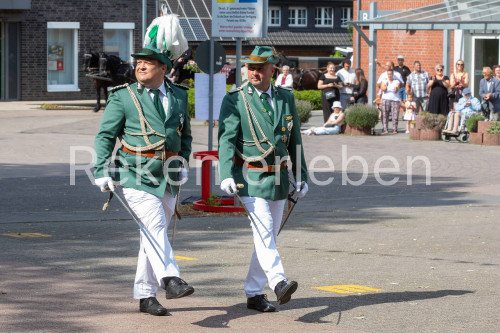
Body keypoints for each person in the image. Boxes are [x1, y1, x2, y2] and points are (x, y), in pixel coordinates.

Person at [93, 15, 194, 317]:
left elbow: (184, 134)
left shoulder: (178, 95)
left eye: (148, 62)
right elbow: (105, 136)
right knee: (154, 226)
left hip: (169, 176)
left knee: (150, 235)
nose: (140, 65)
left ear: (164, 68)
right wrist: (101, 170)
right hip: (135, 174)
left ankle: (145, 295)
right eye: (138, 62)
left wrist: (183, 162)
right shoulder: (122, 97)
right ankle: (171, 278)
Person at [218, 45, 308, 313]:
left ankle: (254, 293)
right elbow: (226, 139)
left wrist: (301, 176)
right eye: (250, 67)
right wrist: (225, 174)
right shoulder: (235, 99)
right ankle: (278, 282)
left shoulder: (285, 97)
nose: (254, 72)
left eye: (259, 68)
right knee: (265, 230)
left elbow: (295, 139)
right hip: (250, 177)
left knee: (267, 236)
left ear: (273, 69)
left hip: (279, 179)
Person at [380, 69, 401, 134]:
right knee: (385, 115)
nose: (389, 76)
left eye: (391, 74)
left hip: (395, 100)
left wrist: (396, 88)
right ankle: (385, 129)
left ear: (393, 75)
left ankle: (395, 129)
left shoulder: (396, 81)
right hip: (386, 99)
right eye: (388, 74)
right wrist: (386, 85)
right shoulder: (384, 81)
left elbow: (396, 90)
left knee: (395, 115)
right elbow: (383, 88)